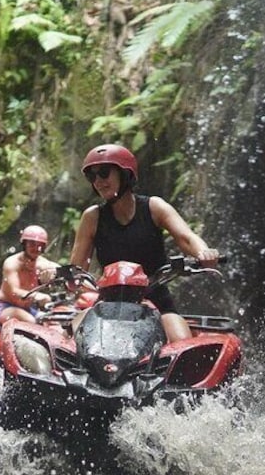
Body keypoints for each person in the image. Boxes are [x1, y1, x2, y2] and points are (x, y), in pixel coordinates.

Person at [69, 143, 220, 342]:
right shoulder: (92, 217)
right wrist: (65, 277)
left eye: (104, 173)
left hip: (156, 296)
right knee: (75, 340)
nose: (98, 181)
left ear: (125, 175)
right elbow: (76, 269)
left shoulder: (154, 207)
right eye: (92, 176)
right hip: (109, 301)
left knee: (181, 340)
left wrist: (204, 252)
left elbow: (187, 238)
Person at [0, 225, 60, 325]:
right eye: (32, 244)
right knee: (30, 322)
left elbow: (61, 270)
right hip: (5, 307)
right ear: (24, 244)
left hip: (27, 309)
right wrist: (37, 296)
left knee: (55, 323)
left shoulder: (44, 264)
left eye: (40, 245)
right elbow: (14, 291)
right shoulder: (12, 263)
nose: (36, 248)